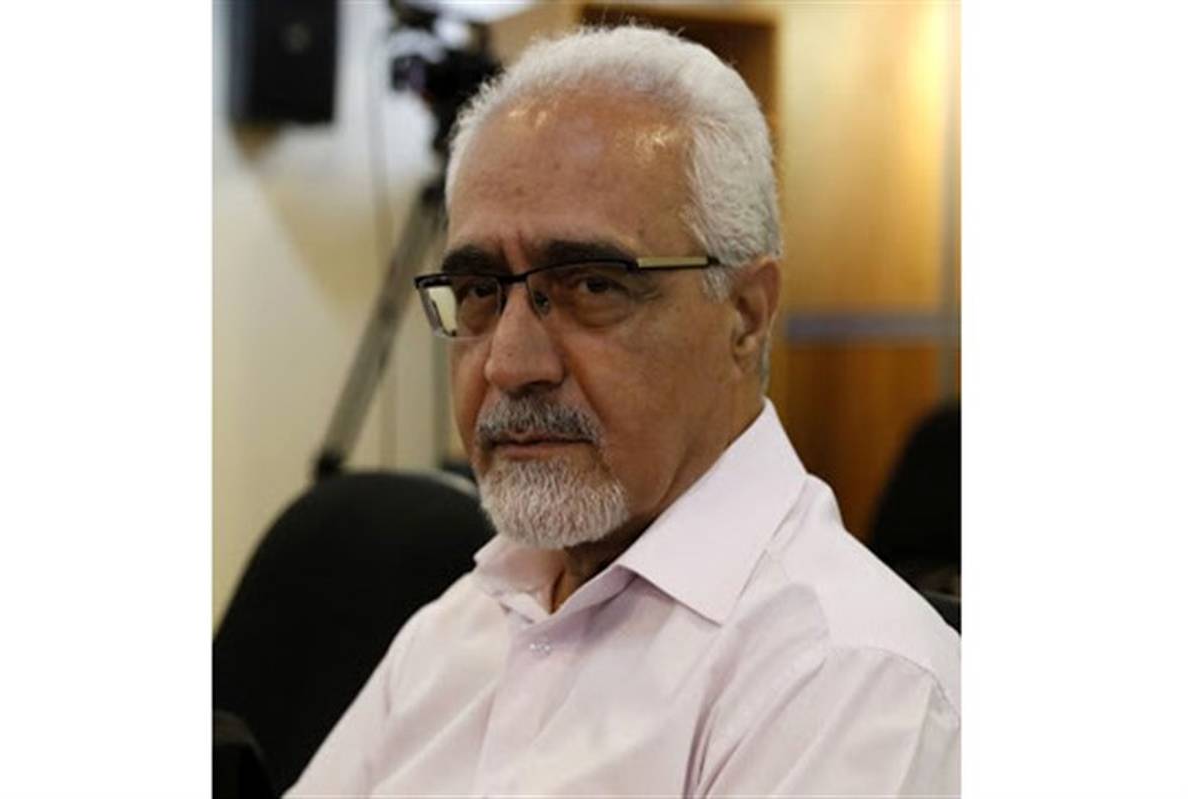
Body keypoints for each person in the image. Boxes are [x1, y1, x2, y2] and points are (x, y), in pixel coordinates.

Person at [289, 25, 959, 797]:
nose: (510, 363)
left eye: (591, 286)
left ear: (745, 314)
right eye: (477, 291)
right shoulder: (463, 621)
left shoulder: (847, 679)